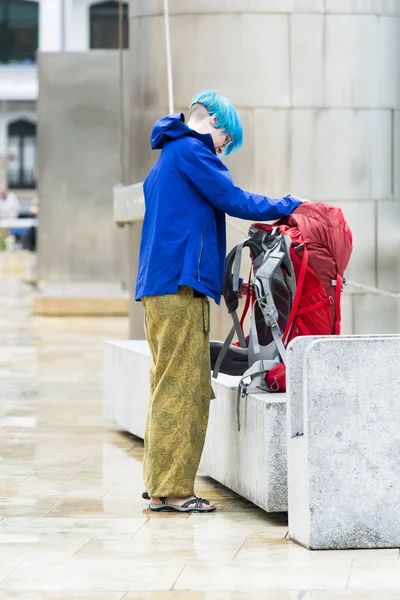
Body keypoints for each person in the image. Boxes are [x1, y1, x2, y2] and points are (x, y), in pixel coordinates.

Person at [135, 90, 307, 513]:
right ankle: (174, 490)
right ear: (213, 121)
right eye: (226, 140)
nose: (223, 149)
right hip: (179, 286)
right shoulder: (192, 150)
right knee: (185, 387)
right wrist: (292, 205)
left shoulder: (168, 157)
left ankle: (160, 485)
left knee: (166, 382)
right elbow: (234, 200)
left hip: (159, 287)